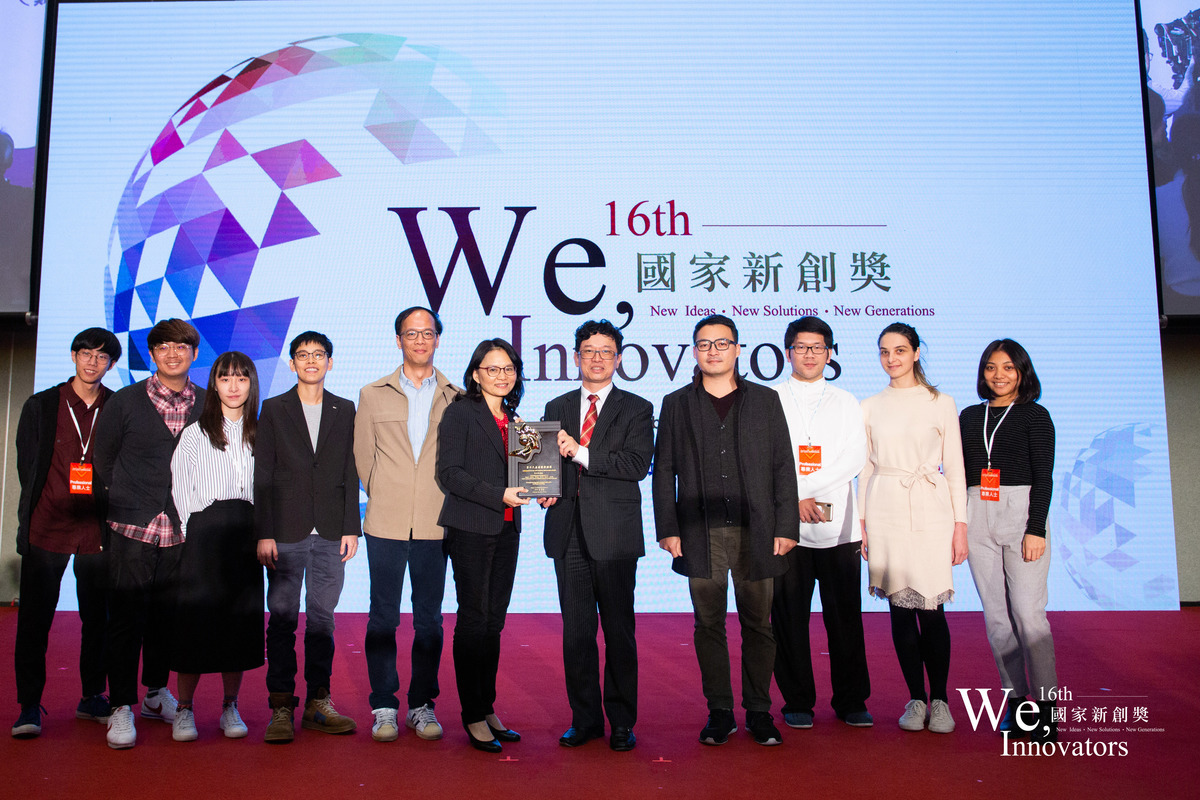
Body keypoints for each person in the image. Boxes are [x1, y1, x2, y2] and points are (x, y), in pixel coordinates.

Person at [652, 314, 799, 747]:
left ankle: (758, 711)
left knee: (759, 625)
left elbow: (782, 468)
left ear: (738, 349)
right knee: (708, 624)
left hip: (758, 531)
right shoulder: (676, 402)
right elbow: (664, 473)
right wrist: (668, 527)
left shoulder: (766, 401)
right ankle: (719, 711)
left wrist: (786, 525)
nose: (713, 351)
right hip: (699, 532)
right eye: (704, 344)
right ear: (694, 352)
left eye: (722, 343)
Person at [538, 320, 654, 752]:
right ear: (576, 357)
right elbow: (544, 469)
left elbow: (635, 464)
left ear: (619, 358)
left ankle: (622, 720)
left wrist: (580, 452)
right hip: (567, 533)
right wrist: (542, 489)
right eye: (589, 350)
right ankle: (584, 719)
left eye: (606, 350)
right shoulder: (556, 405)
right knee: (577, 634)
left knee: (619, 632)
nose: (598, 358)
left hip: (615, 535)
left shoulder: (637, 408)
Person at [93, 318, 205, 749]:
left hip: (183, 528)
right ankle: (120, 704)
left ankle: (155, 693)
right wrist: (132, 498)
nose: (172, 353)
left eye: (181, 346)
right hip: (131, 525)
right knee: (124, 618)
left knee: (167, 619)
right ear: (152, 354)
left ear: (194, 354)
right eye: (162, 346)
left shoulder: (209, 403)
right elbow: (103, 461)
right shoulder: (124, 401)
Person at [354, 307, 460, 743]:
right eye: (410, 333)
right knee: (382, 618)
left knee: (430, 620)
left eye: (427, 333)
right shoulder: (372, 393)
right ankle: (383, 705)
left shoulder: (457, 395)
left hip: (437, 523)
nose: (419, 340)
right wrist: (383, 490)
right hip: (386, 522)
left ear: (439, 339)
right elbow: (364, 457)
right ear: (398, 340)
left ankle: (421, 704)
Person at [858, 322, 967, 734]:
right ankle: (915, 700)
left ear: (917, 352)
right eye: (884, 351)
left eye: (900, 350)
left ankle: (940, 699)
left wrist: (961, 525)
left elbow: (955, 468)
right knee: (900, 610)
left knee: (931, 610)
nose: (892, 359)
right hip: (885, 507)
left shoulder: (941, 402)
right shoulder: (869, 405)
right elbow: (865, 470)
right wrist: (863, 524)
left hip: (931, 506)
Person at [12, 328, 122, 738]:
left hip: (98, 527)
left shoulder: (118, 406)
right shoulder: (42, 405)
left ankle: (93, 696)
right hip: (48, 525)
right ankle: (28, 707)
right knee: (34, 620)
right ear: (73, 356)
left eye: (101, 356)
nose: (92, 362)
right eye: (86, 354)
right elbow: (28, 467)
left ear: (111, 363)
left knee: (99, 619)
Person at [255, 331, 360, 743]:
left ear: (330, 363)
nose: (311, 361)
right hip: (284, 531)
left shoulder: (345, 409)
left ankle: (319, 702)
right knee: (281, 620)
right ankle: (281, 706)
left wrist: (352, 525)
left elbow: (351, 474)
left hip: (333, 531)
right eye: (303, 355)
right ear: (293, 363)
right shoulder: (274, 409)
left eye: (319, 355)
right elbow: (262, 477)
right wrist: (264, 533)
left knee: (322, 620)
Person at [770, 317, 872, 730]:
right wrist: (794, 498)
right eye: (801, 346)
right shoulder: (768, 398)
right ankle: (797, 699)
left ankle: (851, 700)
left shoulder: (847, 401)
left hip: (838, 528)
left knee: (844, 617)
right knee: (788, 617)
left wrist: (805, 489)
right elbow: (767, 458)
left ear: (830, 353)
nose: (809, 354)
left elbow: (854, 458)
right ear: (787, 351)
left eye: (817, 347)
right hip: (786, 525)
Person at [959, 339, 1058, 743]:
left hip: (1021, 514)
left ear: (1022, 373)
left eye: (1008, 368)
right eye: (991, 367)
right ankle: (1018, 704)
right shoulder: (968, 416)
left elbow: (1045, 476)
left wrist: (1036, 529)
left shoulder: (1036, 415)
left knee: (1029, 615)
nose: (999, 375)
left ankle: (1046, 709)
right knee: (997, 618)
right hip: (976, 509)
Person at [436, 338, 528, 753]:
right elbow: (449, 474)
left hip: (507, 529)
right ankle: (472, 714)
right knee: (474, 621)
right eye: (492, 369)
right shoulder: (460, 412)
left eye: (508, 368)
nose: (502, 375)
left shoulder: (515, 419)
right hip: (472, 528)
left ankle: (487, 706)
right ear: (475, 374)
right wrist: (498, 495)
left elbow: (525, 476)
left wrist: (540, 489)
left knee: (494, 622)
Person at [167, 352, 263, 741]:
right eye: (226, 379)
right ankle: (185, 709)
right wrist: (195, 530)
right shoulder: (195, 432)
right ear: (215, 385)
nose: (234, 386)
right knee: (195, 623)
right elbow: (180, 486)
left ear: (251, 384)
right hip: (205, 535)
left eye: (242, 378)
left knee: (239, 623)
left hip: (248, 535)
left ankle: (229, 706)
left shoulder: (262, 430)